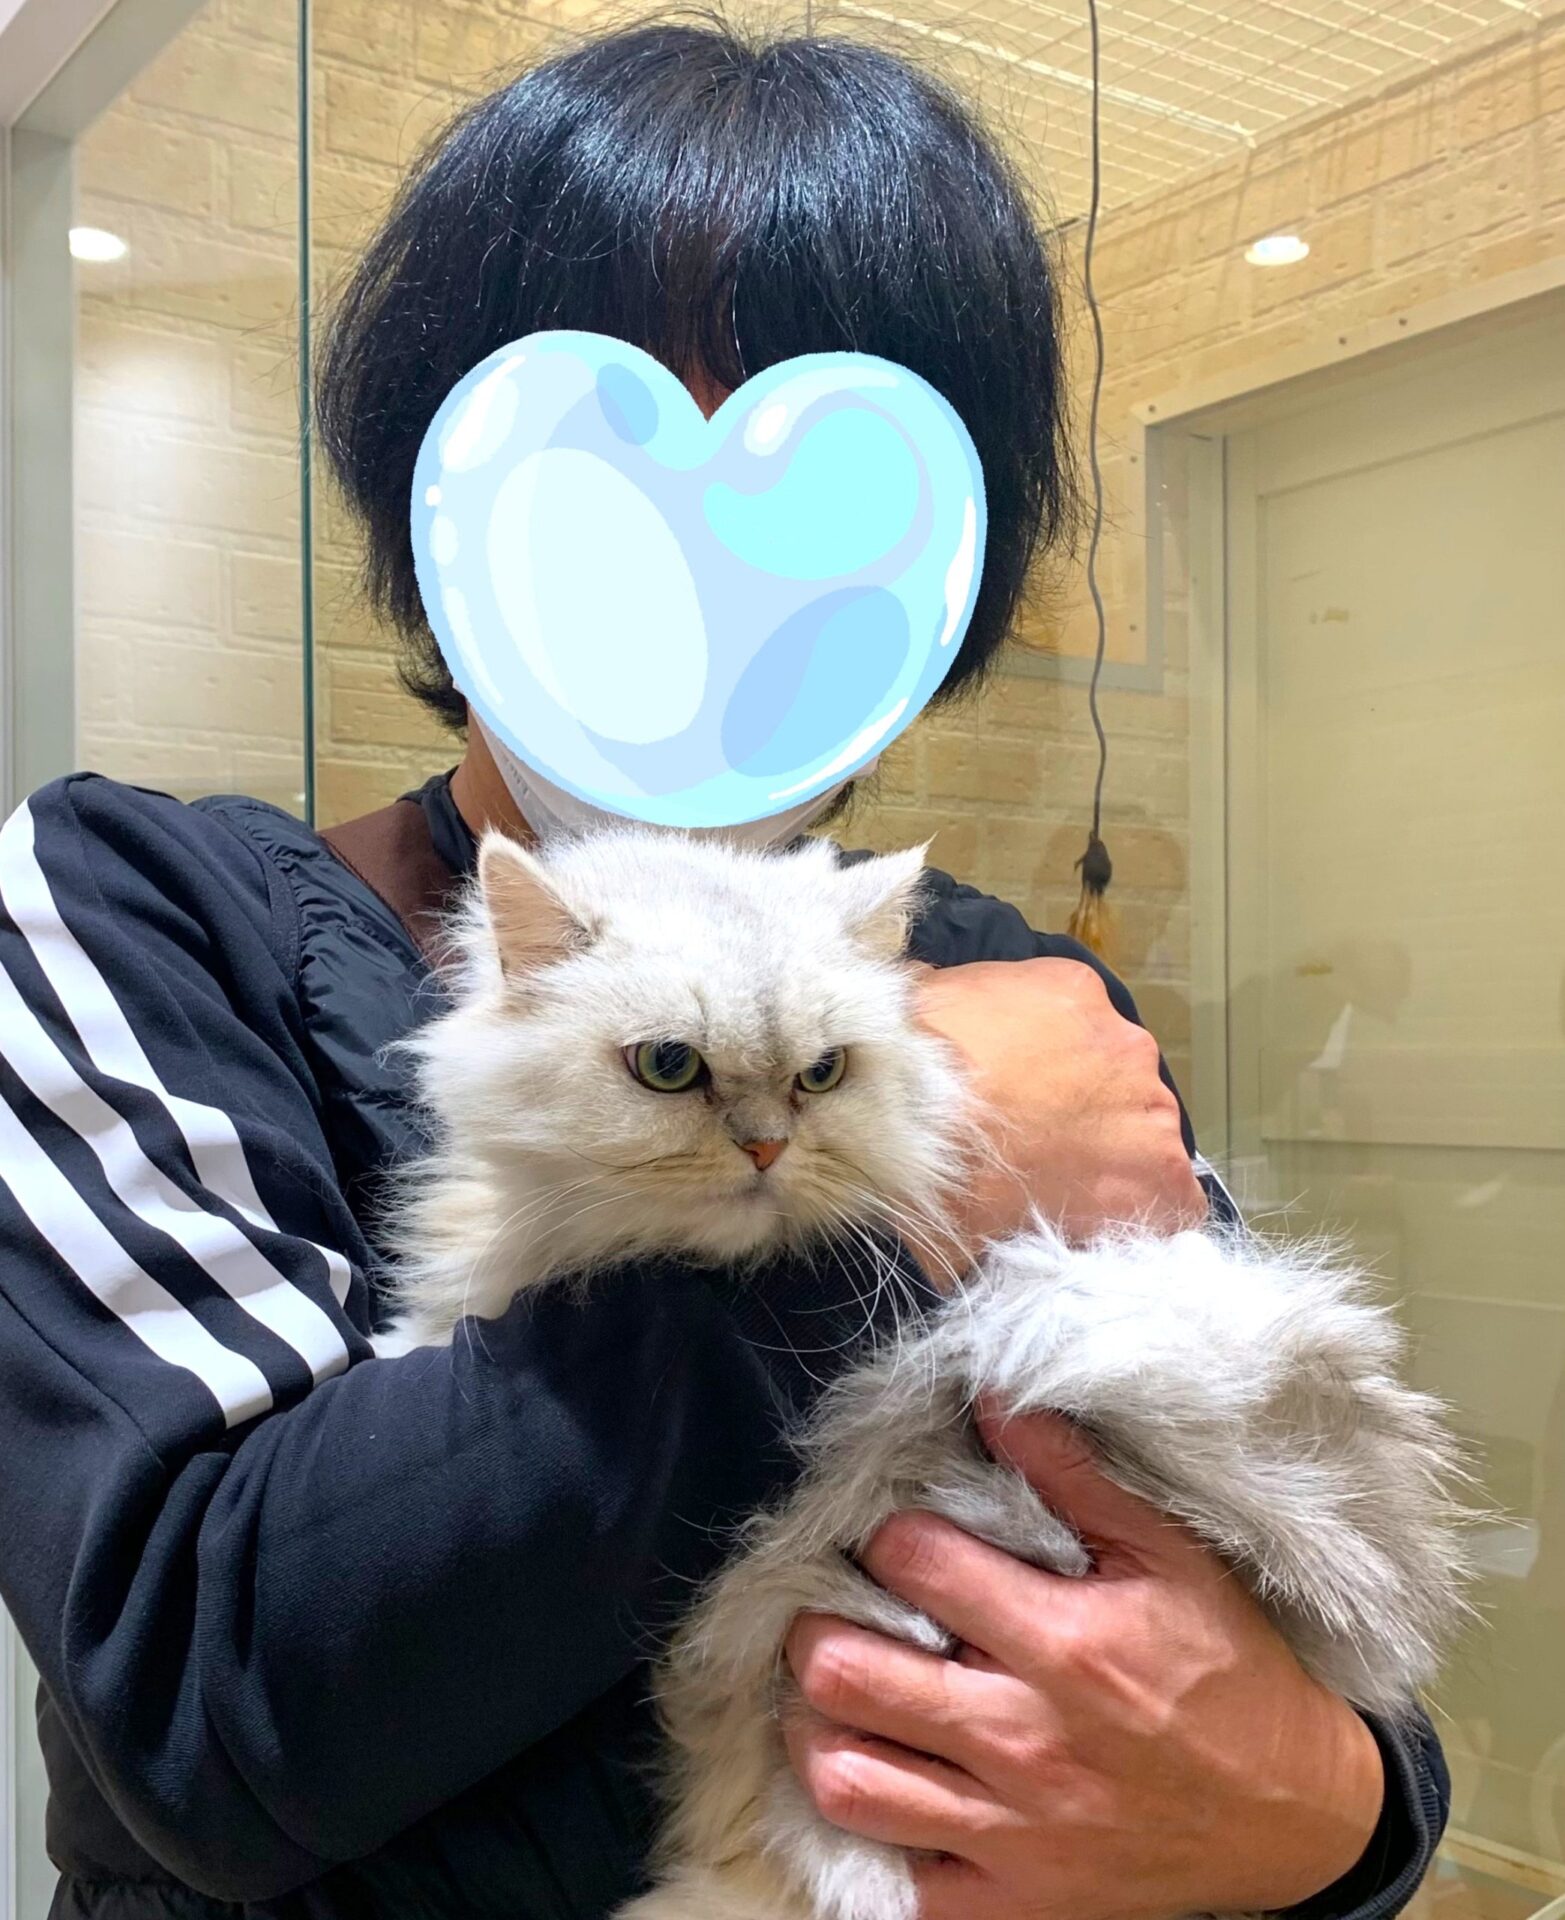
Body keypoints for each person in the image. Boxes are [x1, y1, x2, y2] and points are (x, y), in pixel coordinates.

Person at [0, 23, 1445, 1920]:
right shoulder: (136, 906)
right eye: (602, 492)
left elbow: (1300, 1572)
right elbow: (209, 1697)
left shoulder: (1010, 983)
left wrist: (1336, 1819)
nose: (703, 577)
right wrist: (911, 1193)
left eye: (822, 510)